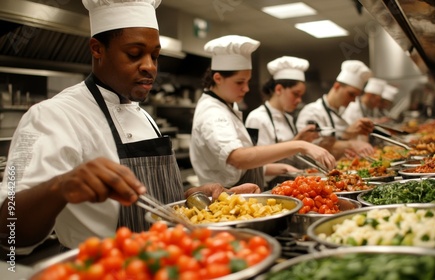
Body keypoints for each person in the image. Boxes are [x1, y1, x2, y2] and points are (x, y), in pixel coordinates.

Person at [0, 0, 258, 253]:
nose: (150, 66)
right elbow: (10, 232)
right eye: (134, 54)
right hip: (105, 269)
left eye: (155, 56)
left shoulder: (142, 115)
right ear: (97, 49)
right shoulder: (52, 115)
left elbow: (152, 201)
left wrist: (193, 196)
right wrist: (61, 186)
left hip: (165, 262)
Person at [190, 35, 336, 189]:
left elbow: (237, 166)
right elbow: (238, 158)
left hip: (240, 192)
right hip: (224, 199)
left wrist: (277, 168)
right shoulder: (212, 112)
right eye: (240, 82)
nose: (246, 89)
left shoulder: (227, 106)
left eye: (247, 81)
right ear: (218, 78)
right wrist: (299, 145)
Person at [245, 56, 319, 187]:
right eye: (296, 94)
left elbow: (291, 153)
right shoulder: (257, 118)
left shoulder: (288, 118)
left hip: (291, 185)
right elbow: (253, 165)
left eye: (301, 96)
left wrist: (302, 140)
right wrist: (285, 168)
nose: (299, 100)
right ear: (278, 89)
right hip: (268, 188)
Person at [296, 60, 375, 158]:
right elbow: (311, 146)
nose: (354, 100)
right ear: (337, 86)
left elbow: (345, 139)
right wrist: (350, 142)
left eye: (356, 96)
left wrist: (355, 133)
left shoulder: (344, 113)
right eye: (351, 94)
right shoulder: (311, 112)